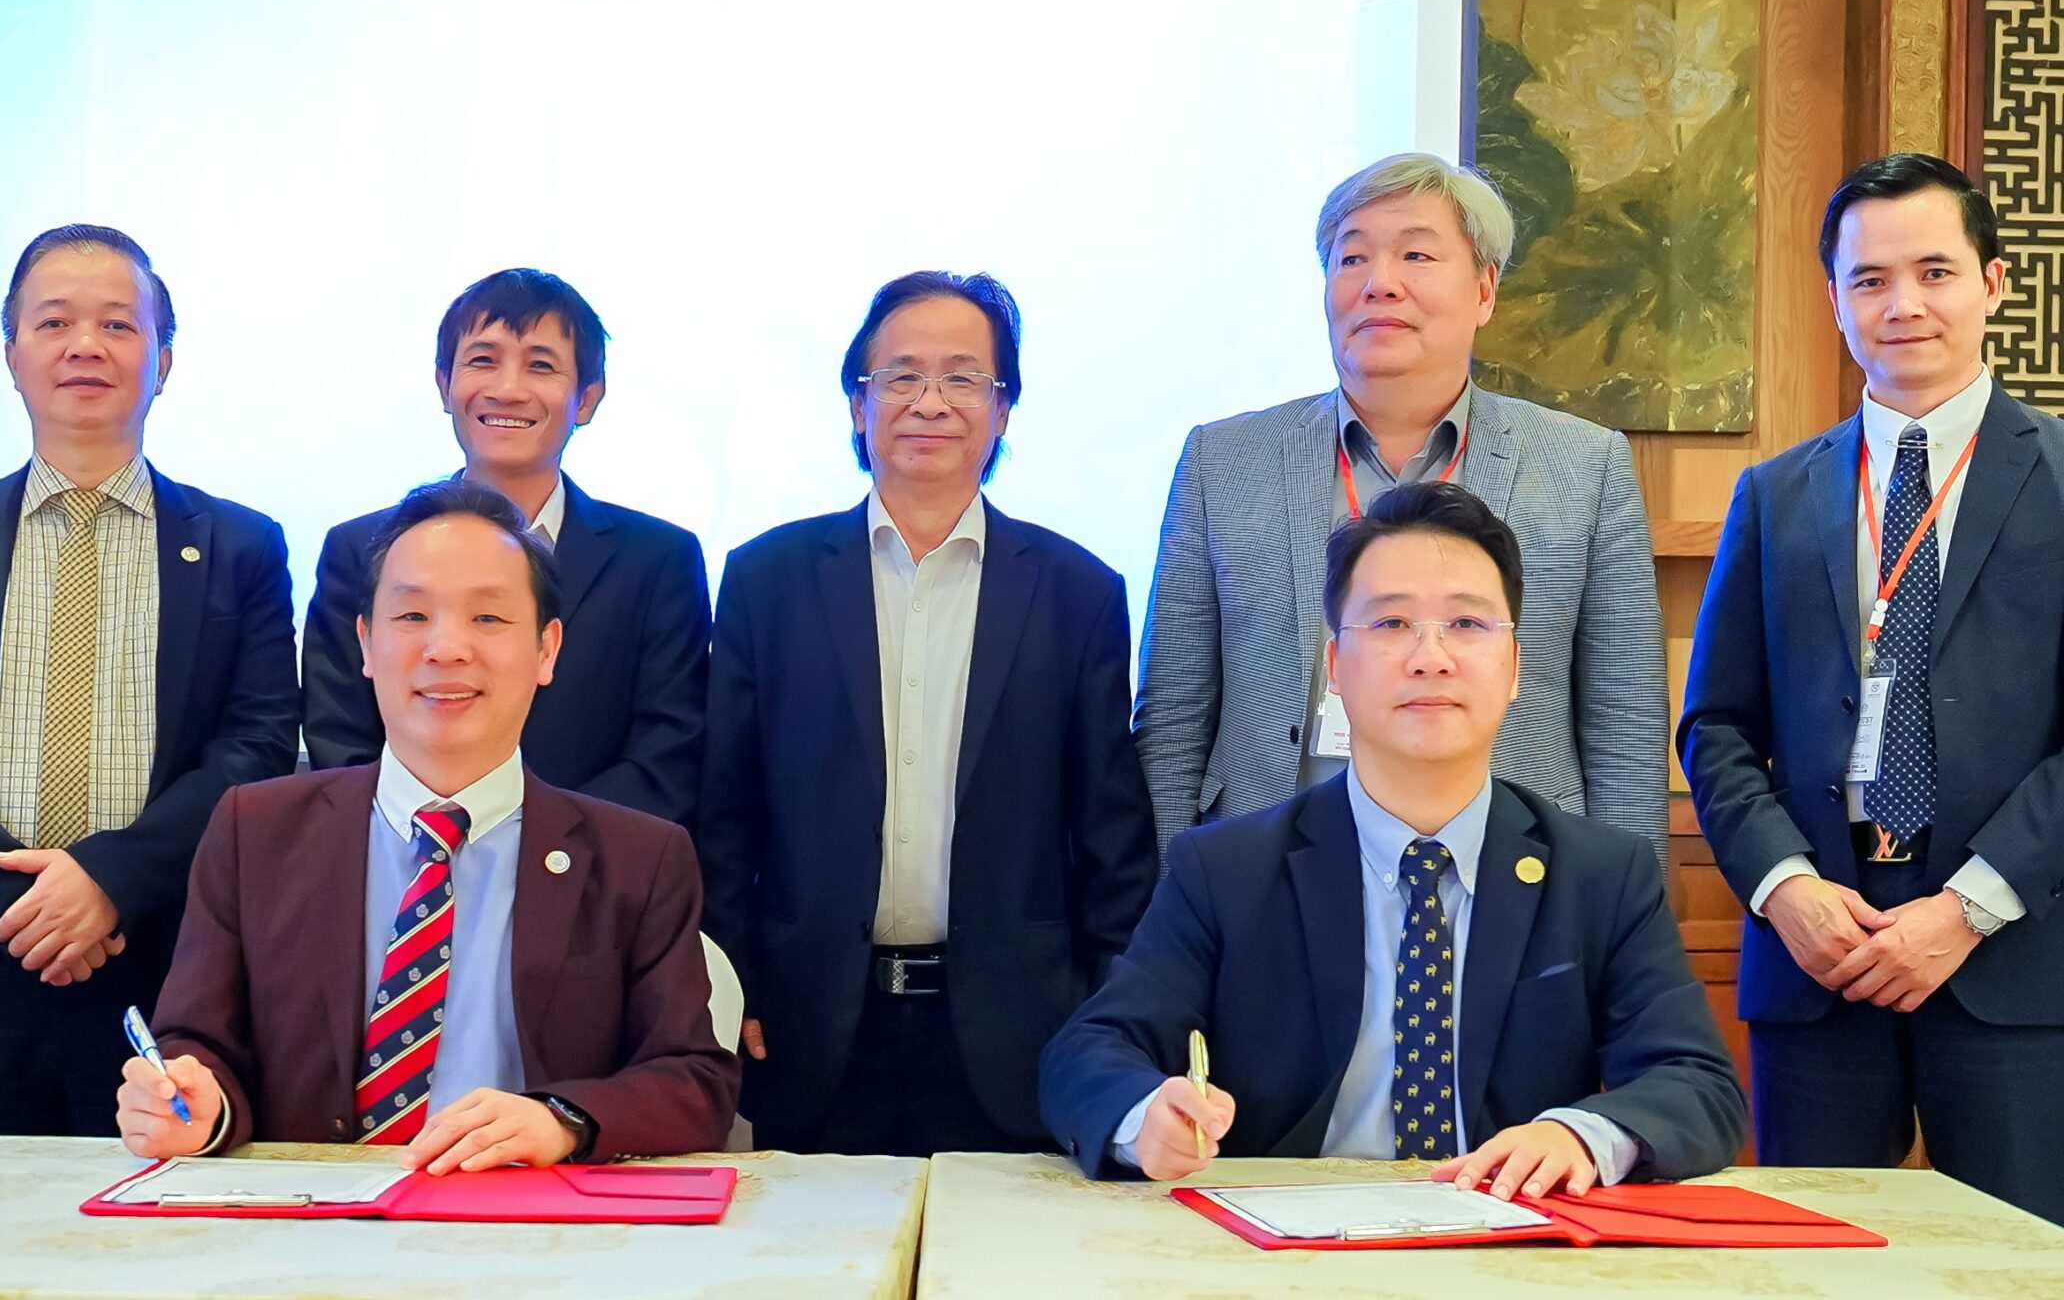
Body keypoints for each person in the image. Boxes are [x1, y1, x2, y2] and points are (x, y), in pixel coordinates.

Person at [1044, 482, 1742, 1190]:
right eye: (1391, 623)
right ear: (1335, 668)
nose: (1430, 657)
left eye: (1467, 623)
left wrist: (1580, 1135)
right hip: (1289, 1231)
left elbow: (1697, 1082)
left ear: (1514, 668)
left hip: (1513, 1230)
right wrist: (1144, 1115)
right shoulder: (1228, 869)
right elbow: (1090, 1051)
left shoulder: (1601, 874)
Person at [119, 479, 737, 1166]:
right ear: (365, 642)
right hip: (311, 1219)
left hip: (533, 1218)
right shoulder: (255, 831)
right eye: (412, 616)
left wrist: (561, 1121)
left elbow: (695, 1080)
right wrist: (196, 1104)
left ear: (547, 650)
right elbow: (197, 1043)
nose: (446, 648)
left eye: (489, 618)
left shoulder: (638, 857)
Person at [0, 224, 299, 1137]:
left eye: (118, 325)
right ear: (11, 356)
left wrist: (106, 880)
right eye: (54, 322)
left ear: (162, 362)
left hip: (161, 961)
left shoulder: (242, 544)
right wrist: (28, 904)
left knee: (147, 1222)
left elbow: (254, 748)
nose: (85, 345)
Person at [1681, 154, 2064, 1224]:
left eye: (1934, 271)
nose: (1903, 304)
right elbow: (1716, 727)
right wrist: (1785, 891)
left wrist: (1968, 906)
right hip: (1820, 961)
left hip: (2013, 958)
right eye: (1869, 279)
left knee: (2018, 1270)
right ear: (1834, 297)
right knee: (1813, 1266)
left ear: (1992, 283)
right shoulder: (1774, 493)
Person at [696, 271, 1155, 1156]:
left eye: (962, 377)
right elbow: (725, 812)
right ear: (857, 403)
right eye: (901, 376)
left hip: (1020, 1032)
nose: (930, 402)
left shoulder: (1077, 590)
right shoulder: (767, 578)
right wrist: (733, 976)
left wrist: (1114, 1017)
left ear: (1003, 408)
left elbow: (1110, 833)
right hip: (809, 1022)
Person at [1135, 153, 1665, 860]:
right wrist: (1176, 902)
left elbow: (1624, 723)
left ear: (1484, 289)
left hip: (1516, 878)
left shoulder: (1584, 466)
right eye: (1352, 258)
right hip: (1271, 878)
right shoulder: (1223, 462)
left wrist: (1622, 912)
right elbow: (1173, 719)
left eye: (1416, 254)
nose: (1378, 282)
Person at [303, 269, 710, 824]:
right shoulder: (359, 548)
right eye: (482, 360)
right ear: (444, 385)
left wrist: (531, 848)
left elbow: (665, 754)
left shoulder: (658, 561)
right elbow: (341, 740)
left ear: (587, 399)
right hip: (403, 861)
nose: (508, 389)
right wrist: (439, 842)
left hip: (590, 865)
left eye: (540, 365)